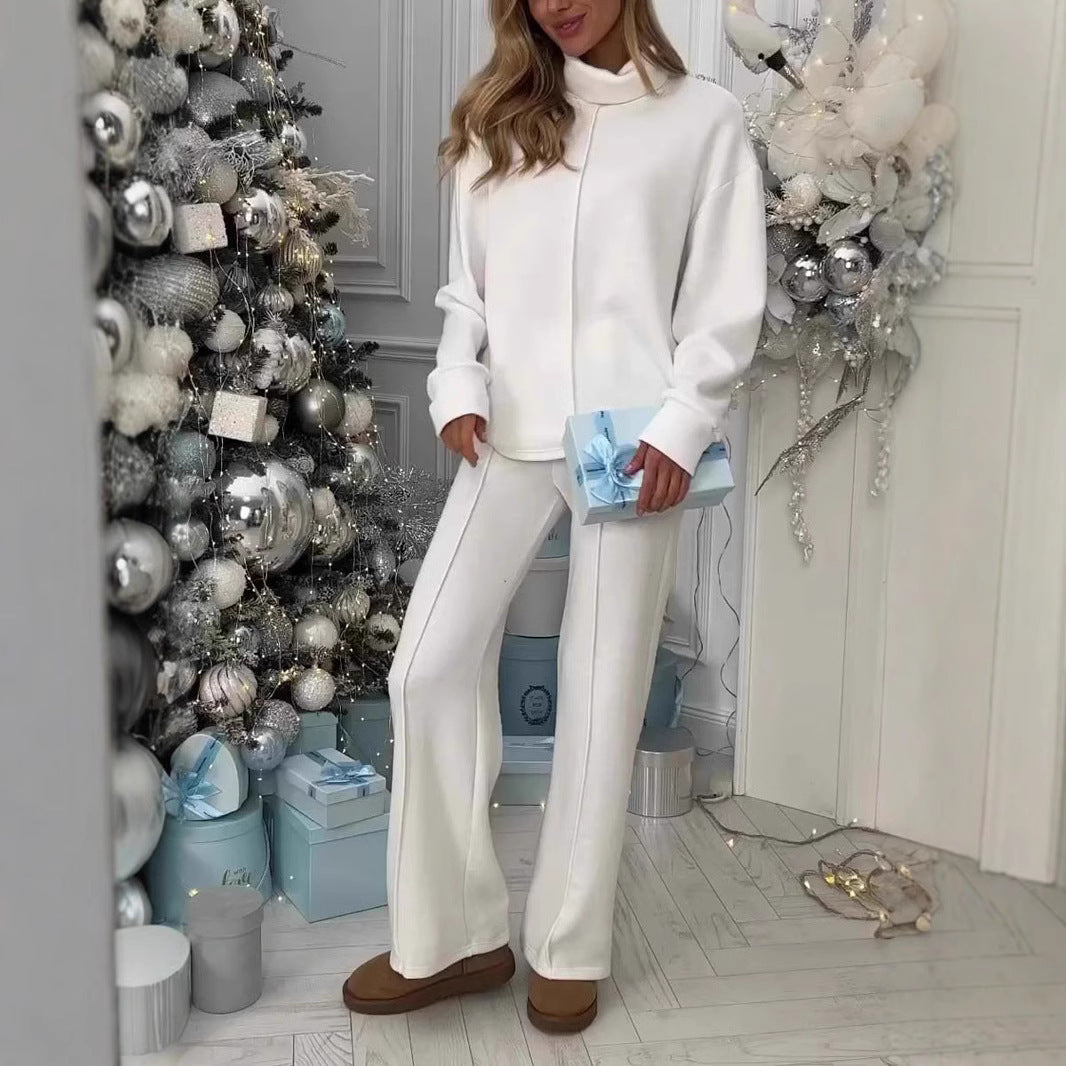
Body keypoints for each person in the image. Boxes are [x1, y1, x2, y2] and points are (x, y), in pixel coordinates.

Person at [343, 0, 767, 1034]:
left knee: (598, 687)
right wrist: (455, 386)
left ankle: (569, 945)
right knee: (426, 664)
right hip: (510, 434)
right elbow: (466, 297)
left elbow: (723, 295)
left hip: (633, 445)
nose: (557, 5)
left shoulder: (699, 120)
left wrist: (682, 421)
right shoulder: (498, 117)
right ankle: (453, 935)